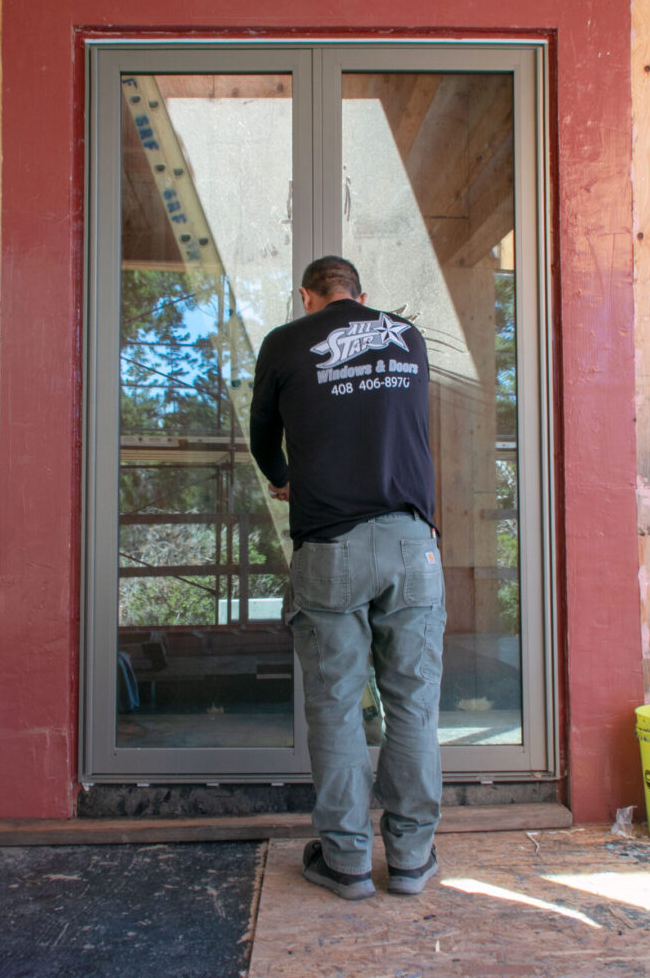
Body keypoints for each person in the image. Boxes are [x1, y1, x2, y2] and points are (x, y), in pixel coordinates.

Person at [250, 256, 446, 900]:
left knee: (335, 709)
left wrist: (285, 478)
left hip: (330, 545)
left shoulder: (284, 342)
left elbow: (262, 440)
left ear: (307, 298)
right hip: (410, 541)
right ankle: (413, 860)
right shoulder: (406, 336)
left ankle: (347, 863)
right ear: (362, 295)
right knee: (412, 702)